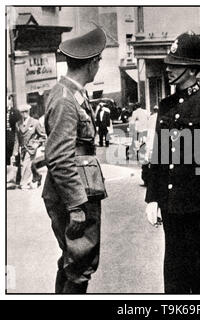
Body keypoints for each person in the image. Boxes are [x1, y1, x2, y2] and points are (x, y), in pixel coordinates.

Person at [145, 31, 200, 293]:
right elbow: (160, 159)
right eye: (169, 63)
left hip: (199, 211)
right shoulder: (167, 105)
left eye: (176, 64)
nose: (169, 68)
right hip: (172, 211)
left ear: (192, 69)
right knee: (175, 281)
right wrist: (152, 197)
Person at [42, 27, 108, 294]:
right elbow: (59, 158)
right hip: (74, 195)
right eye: (99, 61)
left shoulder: (72, 94)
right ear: (91, 64)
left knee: (74, 263)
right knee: (78, 267)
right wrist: (77, 206)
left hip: (79, 192)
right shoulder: (65, 100)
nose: (99, 67)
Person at [12, 104, 45, 189]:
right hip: (22, 149)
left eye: (26, 111)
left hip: (31, 148)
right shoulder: (18, 124)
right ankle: (37, 176)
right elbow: (17, 140)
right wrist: (14, 152)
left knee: (25, 164)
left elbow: (43, 136)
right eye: (22, 112)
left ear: (29, 111)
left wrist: (36, 144)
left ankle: (23, 183)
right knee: (29, 165)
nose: (25, 114)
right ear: (20, 113)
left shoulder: (35, 122)